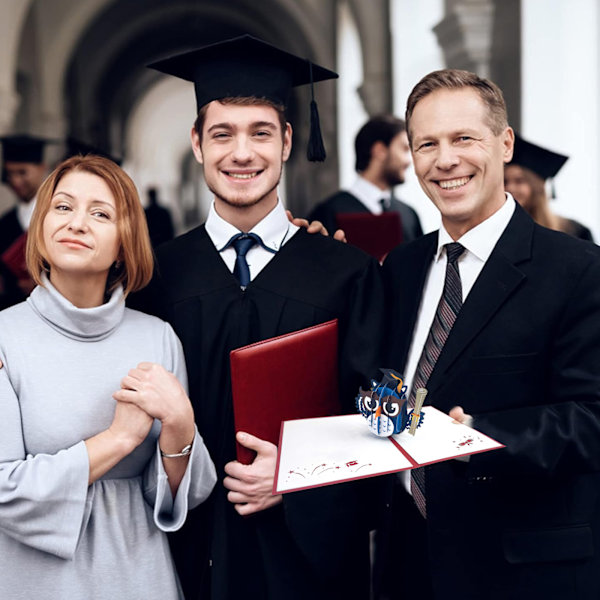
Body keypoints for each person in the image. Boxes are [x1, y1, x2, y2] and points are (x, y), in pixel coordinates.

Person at [137, 34, 384, 600]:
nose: (241, 153)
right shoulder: (156, 277)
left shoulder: (347, 273)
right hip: (187, 552)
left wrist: (300, 473)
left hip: (309, 562)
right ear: (197, 143)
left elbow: (382, 419)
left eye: (261, 132)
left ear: (288, 141)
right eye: (222, 133)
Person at [378, 69, 600, 599]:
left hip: (521, 571)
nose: (445, 159)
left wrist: (476, 435)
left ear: (504, 144)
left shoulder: (577, 268)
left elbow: (591, 416)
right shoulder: (400, 270)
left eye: (463, 138)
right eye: (426, 144)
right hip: (410, 565)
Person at [0, 155, 216, 599]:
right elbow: (4, 490)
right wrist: (116, 440)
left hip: (140, 577)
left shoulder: (158, 339)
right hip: (36, 581)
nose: (76, 222)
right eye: (62, 207)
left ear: (125, 242)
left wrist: (180, 426)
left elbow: (179, 496)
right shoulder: (5, 338)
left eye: (100, 213)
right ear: (41, 226)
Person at [309, 115, 423, 244]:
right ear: (380, 150)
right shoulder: (328, 213)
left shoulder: (409, 215)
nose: (409, 161)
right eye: (404, 149)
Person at [504, 133, 594, 241]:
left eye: (519, 181)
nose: (510, 188)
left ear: (536, 187)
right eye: (505, 182)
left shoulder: (575, 232)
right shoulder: (501, 230)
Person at [0, 135, 49, 308]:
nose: (15, 181)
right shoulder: (5, 223)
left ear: (42, 168)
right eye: (10, 173)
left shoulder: (55, 215)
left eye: (22, 172)